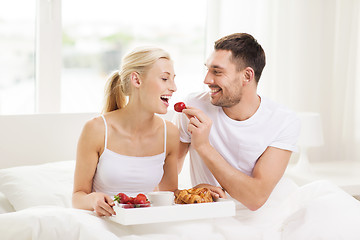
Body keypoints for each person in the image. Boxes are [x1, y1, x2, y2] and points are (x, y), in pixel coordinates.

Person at [176, 33, 301, 211]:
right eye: (208, 70)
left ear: (247, 76)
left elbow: (255, 198)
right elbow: (170, 168)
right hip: (206, 213)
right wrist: (189, 193)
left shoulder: (283, 121)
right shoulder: (194, 106)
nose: (207, 80)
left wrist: (203, 146)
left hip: (261, 217)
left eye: (217, 72)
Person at [72, 47, 179, 216]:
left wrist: (202, 191)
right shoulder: (96, 129)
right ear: (136, 80)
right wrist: (94, 200)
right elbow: (78, 197)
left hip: (145, 222)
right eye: (165, 78)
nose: (174, 87)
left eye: (173, 79)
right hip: (103, 222)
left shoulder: (170, 134)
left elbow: (171, 196)